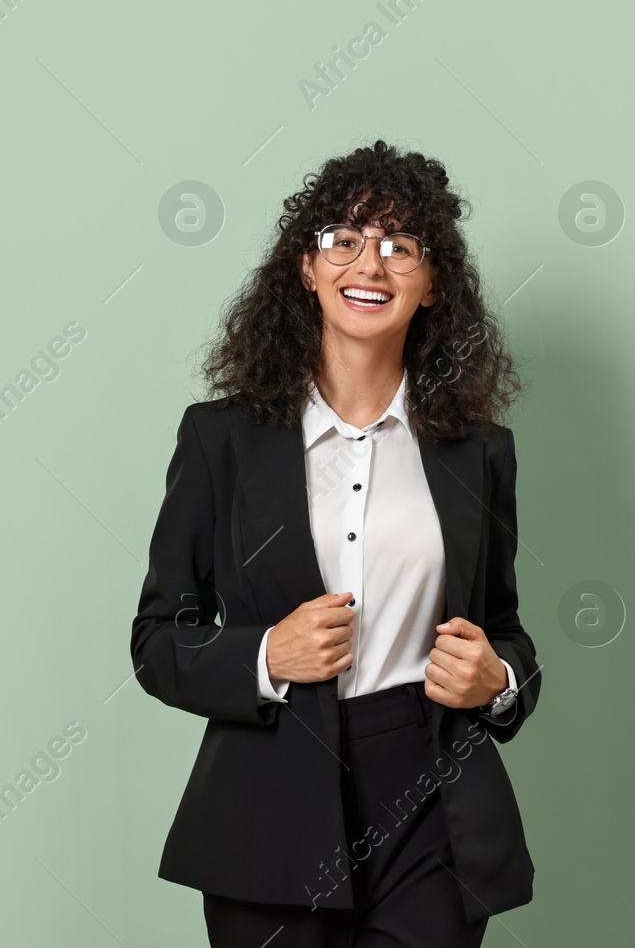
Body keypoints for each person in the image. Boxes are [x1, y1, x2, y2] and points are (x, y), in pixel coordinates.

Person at [131, 139, 542, 947]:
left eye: (401, 247)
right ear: (307, 269)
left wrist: (498, 679)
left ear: (431, 287)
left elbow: (506, 631)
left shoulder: (478, 452)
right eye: (345, 240)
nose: (372, 265)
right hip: (267, 810)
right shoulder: (222, 441)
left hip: (431, 801)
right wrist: (264, 656)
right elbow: (155, 640)